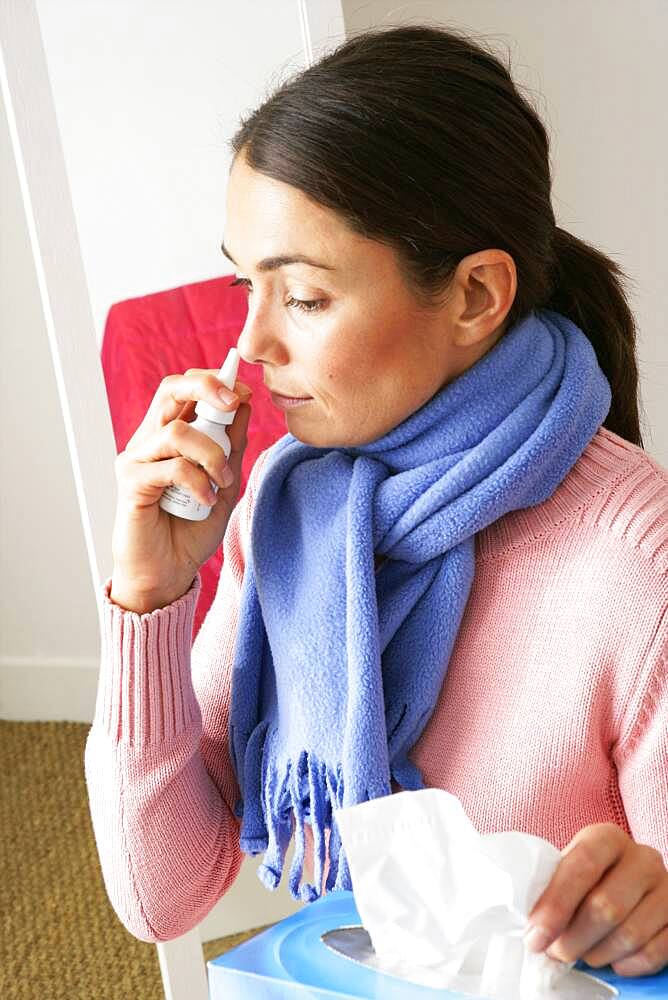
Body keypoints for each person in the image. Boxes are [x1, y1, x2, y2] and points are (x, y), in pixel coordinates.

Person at [84, 24, 668, 979]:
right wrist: (148, 596)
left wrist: (655, 908)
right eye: (245, 284)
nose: (253, 346)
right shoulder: (289, 506)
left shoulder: (638, 564)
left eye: (304, 298)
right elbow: (162, 896)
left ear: (476, 294)